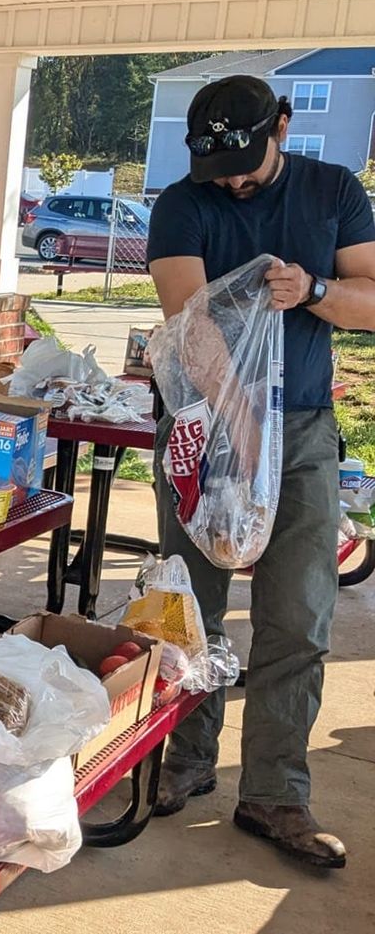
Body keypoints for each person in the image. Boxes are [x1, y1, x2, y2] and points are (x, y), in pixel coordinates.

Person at [147, 74, 375, 869]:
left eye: (247, 161)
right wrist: (238, 421)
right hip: (204, 426)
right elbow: (190, 321)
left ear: (281, 124)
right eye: (220, 169)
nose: (235, 182)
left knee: (298, 615)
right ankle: (182, 763)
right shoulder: (184, 203)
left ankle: (275, 790)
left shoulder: (332, 192)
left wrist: (313, 290)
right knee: (186, 608)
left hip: (305, 430)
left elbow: (371, 298)